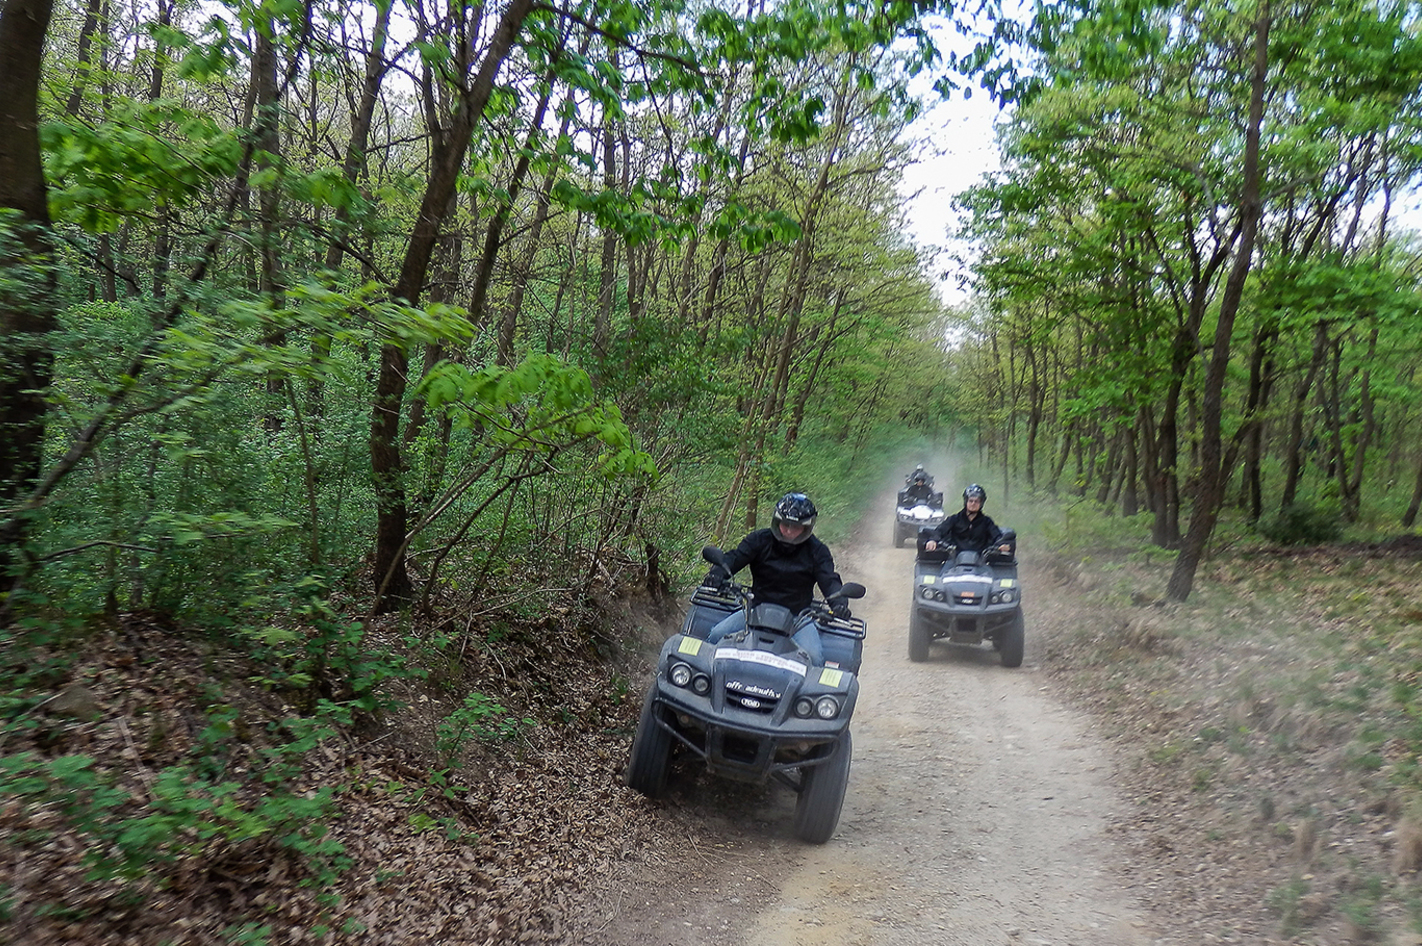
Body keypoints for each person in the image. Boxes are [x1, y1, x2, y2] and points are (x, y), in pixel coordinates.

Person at [702, 492, 848, 665]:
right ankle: (703, 685)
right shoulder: (759, 540)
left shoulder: (818, 551)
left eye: (796, 527)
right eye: (785, 524)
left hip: (798, 618)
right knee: (717, 634)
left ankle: (805, 693)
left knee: (814, 656)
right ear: (777, 521)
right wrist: (716, 574)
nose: (788, 531)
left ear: (807, 527)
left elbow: (829, 580)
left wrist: (839, 604)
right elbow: (734, 558)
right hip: (755, 610)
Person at [922, 483, 1011, 555]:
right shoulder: (954, 519)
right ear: (966, 501)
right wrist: (933, 540)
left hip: (981, 561)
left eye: (976, 501)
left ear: (981, 503)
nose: (973, 504)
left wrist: (1001, 544)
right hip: (954, 560)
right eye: (971, 501)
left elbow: (997, 535)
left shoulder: (987, 522)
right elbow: (939, 531)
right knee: (940, 576)